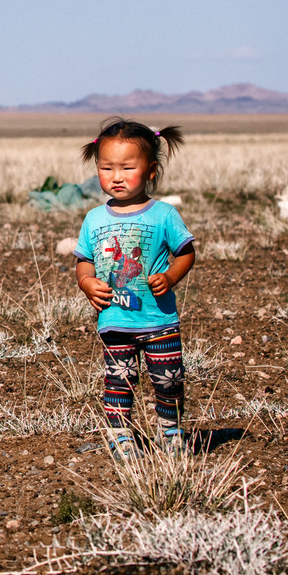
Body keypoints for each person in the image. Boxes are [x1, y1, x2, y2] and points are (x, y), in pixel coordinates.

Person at [73, 117, 195, 458]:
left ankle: (171, 432)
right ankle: (119, 436)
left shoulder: (164, 215)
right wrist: (86, 282)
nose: (116, 176)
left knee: (168, 380)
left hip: (159, 319)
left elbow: (186, 253)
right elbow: (84, 259)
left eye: (127, 168)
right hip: (115, 321)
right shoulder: (94, 218)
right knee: (118, 381)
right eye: (106, 168)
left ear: (151, 171)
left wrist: (170, 277)